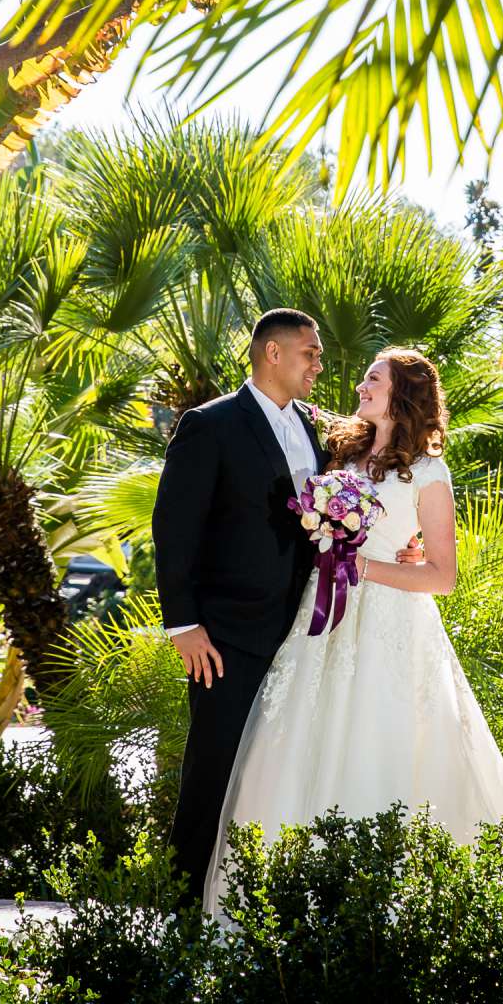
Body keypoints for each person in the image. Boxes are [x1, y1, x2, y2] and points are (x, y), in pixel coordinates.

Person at [198, 344, 503, 913]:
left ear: (402, 392)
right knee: (297, 740)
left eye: (373, 379)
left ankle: (382, 907)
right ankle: (281, 902)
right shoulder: (340, 451)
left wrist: (362, 566)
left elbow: (442, 575)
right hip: (319, 620)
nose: (360, 387)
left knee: (380, 742)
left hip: (389, 626)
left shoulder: (428, 471)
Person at [151, 309, 422, 903]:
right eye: (311, 353)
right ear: (273, 354)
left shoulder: (320, 429)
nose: (320, 365)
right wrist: (185, 624)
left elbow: (354, 508)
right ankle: (179, 912)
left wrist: (400, 540)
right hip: (226, 638)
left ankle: (262, 905)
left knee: (277, 777)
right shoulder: (210, 425)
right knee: (214, 769)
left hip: (307, 632)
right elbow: (173, 529)